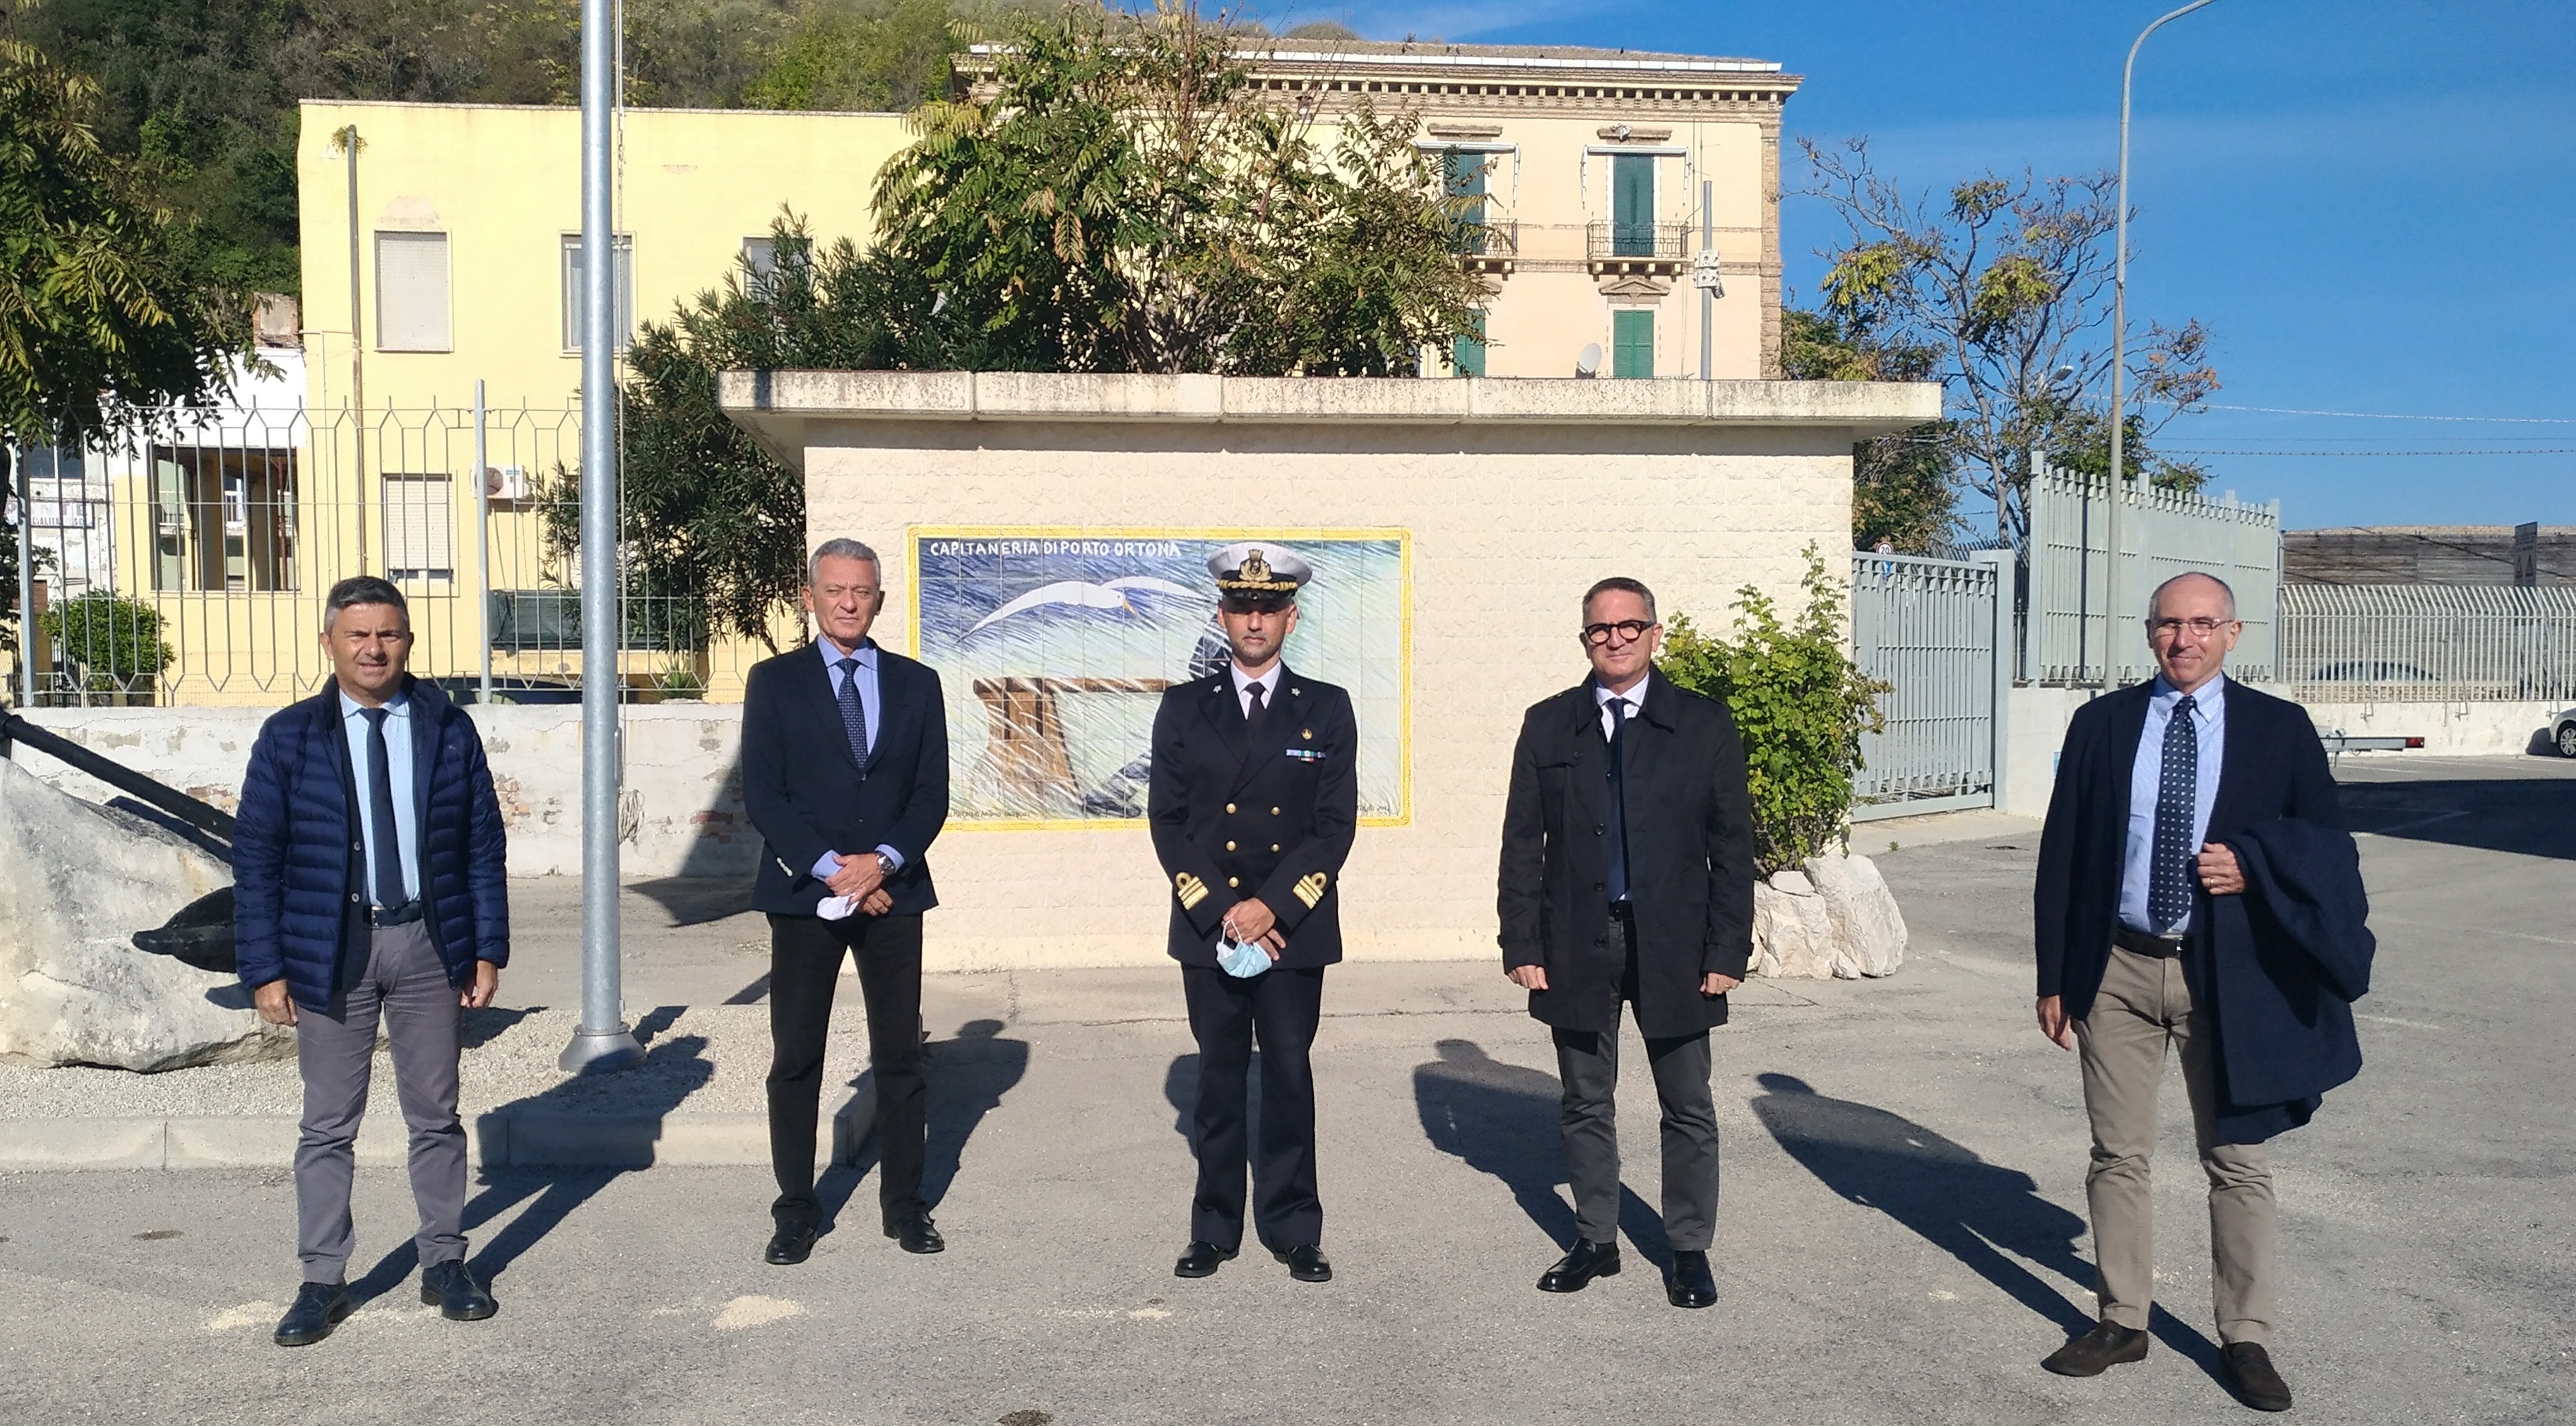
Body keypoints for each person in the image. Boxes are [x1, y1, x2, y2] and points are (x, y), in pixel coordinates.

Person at [2032, 571, 2352, 1413]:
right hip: (2118, 970)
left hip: (2231, 976)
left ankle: (2246, 1337)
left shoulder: (2278, 731)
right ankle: (2122, 1320)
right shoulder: (2102, 725)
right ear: (2150, 634)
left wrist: (2256, 867)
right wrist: (2054, 975)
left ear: (2233, 634)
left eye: (2203, 624)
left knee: (2237, 1162)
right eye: (2170, 625)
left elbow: (2329, 847)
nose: (2186, 639)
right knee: (2117, 1155)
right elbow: (2063, 853)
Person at [233, 575, 509, 1347]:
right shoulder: (290, 737)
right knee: (328, 1123)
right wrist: (265, 967)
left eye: (388, 633)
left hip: (428, 945)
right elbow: (257, 858)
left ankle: (444, 1263)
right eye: (357, 634)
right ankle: (322, 1278)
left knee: (437, 1115)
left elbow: (482, 845)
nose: (373, 648)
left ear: (409, 641)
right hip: (332, 950)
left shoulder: (448, 729)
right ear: (330, 643)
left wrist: (487, 947)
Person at [1495, 576, 1755, 1309]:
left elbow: (1733, 848)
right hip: (1577, 938)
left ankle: (1689, 1248)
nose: (1614, 638)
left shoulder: (1703, 725)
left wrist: (1725, 950)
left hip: (1675, 941)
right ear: (1585, 638)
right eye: (1599, 629)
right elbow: (1522, 843)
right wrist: (1522, 939)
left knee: (1688, 1103)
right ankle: (1596, 1238)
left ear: (1654, 632)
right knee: (1584, 1098)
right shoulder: (1549, 725)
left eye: (1628, 626)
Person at [1150, 542, 1358, 1284]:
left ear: (1291, 617)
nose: (1255, 619)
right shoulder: (1183, 707)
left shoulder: (1327, 708)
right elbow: (1168, 823)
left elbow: (1334, 826)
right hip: (1211, 927)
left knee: (1290, 1078)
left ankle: (1295, 1225)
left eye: (1269, 607)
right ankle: (1213, 1226)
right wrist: (1223, 910)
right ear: (1221, 613)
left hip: (1291, 931)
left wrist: (1270, 908)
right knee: (1218, 1076)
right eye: (1242, 606)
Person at [741, 539, 952, 1265]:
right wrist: (836, 870)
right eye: (835, 589)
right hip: (807, 896)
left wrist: (881, 863)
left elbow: (931, 794)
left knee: (899, 1054)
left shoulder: (919, 685)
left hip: (895, 893)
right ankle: (797, 1207)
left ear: (880, 599)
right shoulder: (774, 682)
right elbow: (765, 793)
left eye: (862, 590)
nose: (849, 602)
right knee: (797, 1055)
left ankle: (905, 1203)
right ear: (811, 595)